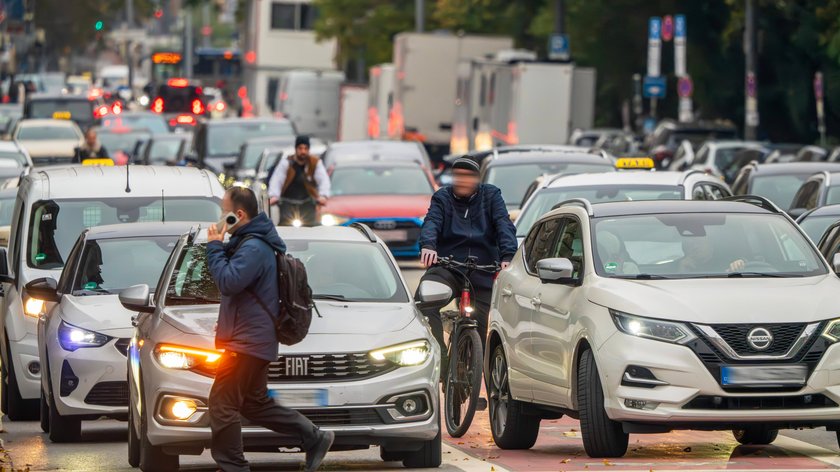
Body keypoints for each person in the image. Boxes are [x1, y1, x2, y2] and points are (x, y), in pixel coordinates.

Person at [205, 187, 333, 472]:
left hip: (245, 342)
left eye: (223, 211)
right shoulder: (251, 243)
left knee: (222, 404)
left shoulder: (254, 247)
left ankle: (233, 467)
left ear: (237, 215)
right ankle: (315, 437)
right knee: (254, 403)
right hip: (252, 339)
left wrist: (214, 245)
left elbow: (228, 281)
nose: (220, 217)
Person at [416, 157, 517, 362]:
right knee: (425, 299)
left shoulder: (491, 196)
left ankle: (472, 368)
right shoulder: (442, 197)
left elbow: (503, 224)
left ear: (477, 179)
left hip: (483, 268)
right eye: (458, 176)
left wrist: (507, 256)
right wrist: (428, 246)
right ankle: (440, 356)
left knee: (486, 322)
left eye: (468, 176)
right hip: (448, 265)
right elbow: (432, 222)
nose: (462, 181)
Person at [267, 135, 330, 226]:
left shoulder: (315, 163)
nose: (303, 151)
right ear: (296, 149)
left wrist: (323, 196)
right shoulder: (286, 163)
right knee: (285, 226)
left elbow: (324, 180)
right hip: (287, 204)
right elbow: (277, 180)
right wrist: (274, 195)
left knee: (312, 227)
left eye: (305, 148)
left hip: (307, 204)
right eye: (300, 148)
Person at [678, 236, 746, 274]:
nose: (694, 247)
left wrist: (739, 264)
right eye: (690, 244)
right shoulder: (676, 266)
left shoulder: (728, 262)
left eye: (699, 243)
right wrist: (682, 270)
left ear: (711, 246)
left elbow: (750, 264)